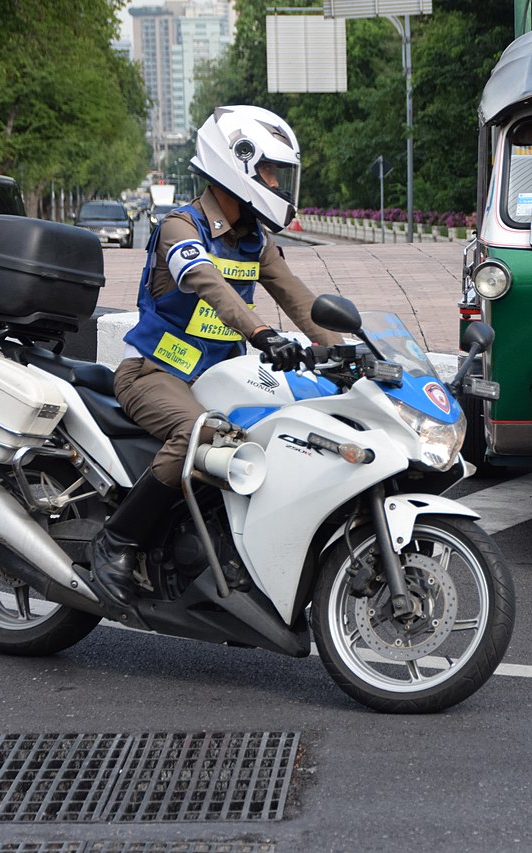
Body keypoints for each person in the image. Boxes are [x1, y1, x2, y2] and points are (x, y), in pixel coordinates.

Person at [91, 105, 343, 609]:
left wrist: (350, 350)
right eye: (270, 171)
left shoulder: (255, 240)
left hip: (219, 377)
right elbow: (207, 283)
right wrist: (261, 332)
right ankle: (114, 544)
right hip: (154, 373)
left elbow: (299, 299)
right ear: (238, 166)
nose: (277, 182)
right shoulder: (181, 229)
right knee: (200, 433)